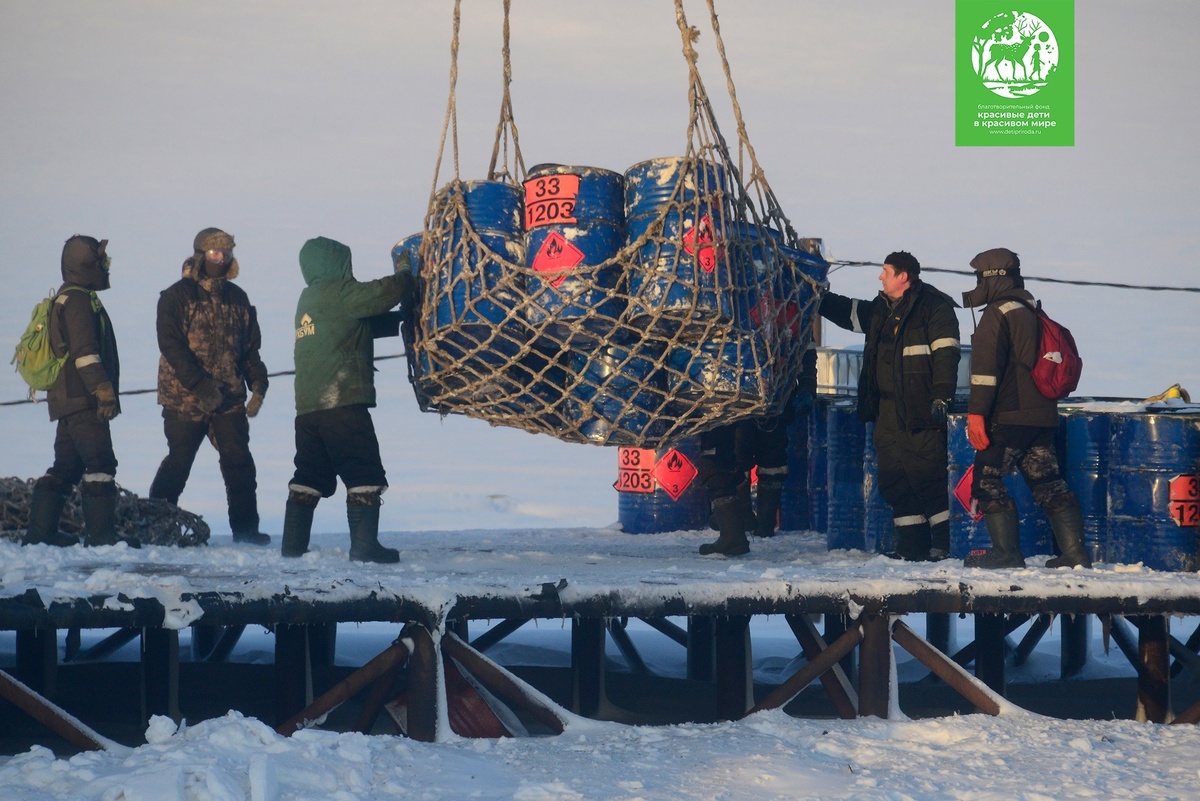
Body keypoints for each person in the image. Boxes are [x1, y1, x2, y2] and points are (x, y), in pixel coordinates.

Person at [280, 236, 417, 563]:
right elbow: (383, 293)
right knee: (363, 470)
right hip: (341, 403)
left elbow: (358, 323)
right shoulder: (339, 292)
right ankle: (365, 548)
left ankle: (292, 548)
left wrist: (400, 320)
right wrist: (405, 272)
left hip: (308, 411)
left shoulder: (309, 300)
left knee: (309, 475)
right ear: (335, 264)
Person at [819, 251, 961, 561]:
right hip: (886, 413)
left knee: (928, 477)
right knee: (895, 480)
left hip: (920, 410)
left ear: (903, 277)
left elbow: (947, 355)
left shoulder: (934, 308)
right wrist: (818, 297)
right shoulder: (881, 310)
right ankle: (911, 547)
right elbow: (850, 312)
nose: (880, 277)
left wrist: (941, 396)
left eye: (885, 271)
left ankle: (943, 545)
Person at [961, 247, 1091, 569]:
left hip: (1010, 415)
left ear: (992, 277)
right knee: (1048, 482)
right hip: (1043, 417)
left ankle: (1006, 554)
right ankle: (1075, 554)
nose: (976, 282)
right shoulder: (1030, 309)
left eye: (979, 276)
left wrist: (976, 414)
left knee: (986, 481)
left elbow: (985, 371)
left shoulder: (998, 313)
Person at [149, 228, 271, 545]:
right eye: (215, 253)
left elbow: (249, 352)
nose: (222, 258)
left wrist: (258, 383)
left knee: (239, 462)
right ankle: (154, 529)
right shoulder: (176, 296)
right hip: (185, 399)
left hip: (228, 399)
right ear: (201, 256)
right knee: (178, 462)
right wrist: (202, 387)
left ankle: (246, 532)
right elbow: (171, 347)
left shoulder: (239, 299)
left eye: (226, 253)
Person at [23, 235, 139, 548]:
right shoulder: (77, 302)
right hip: (82, 398)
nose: (106, 267)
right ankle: (102, 539)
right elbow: (85, 352)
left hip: (66, 398)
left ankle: (39, 535)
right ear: (86, 265)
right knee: (101, 463)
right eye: (103, 262)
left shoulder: (67, 297)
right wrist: (102, 390)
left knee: (67, 466)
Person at [697, 345, 818, 555]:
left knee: (767, 454)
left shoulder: (785, 316)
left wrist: (807, 387)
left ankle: (758, 525)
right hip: (742, 387)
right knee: (740, 451)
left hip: (767, 388)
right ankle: (740, 519)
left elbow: (805, 345)